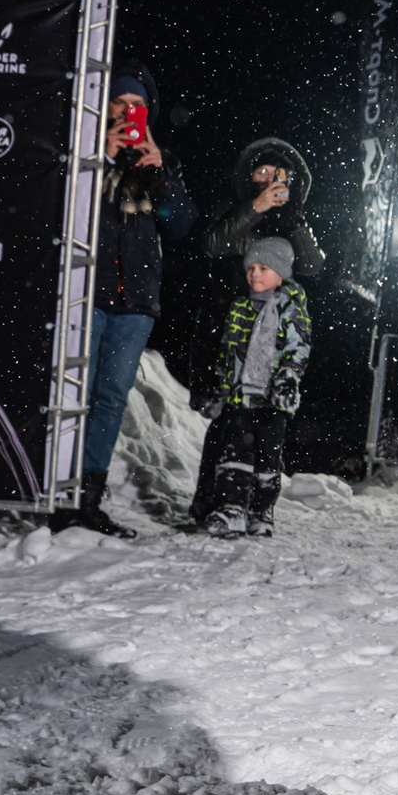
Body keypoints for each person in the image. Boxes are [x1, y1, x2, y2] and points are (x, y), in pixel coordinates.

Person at [57, 63, 197, 536]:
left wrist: (158, 173)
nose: (129, 112)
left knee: (111, 400)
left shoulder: (160, 162)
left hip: (135, 304)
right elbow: (66, 208)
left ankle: (89, 499)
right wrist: (103, 155)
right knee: (75, 395)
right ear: (104, 106)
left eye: (137, 106)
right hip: (86, 295)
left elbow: (179, 225)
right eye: (121, 103)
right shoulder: (82, 152)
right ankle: (60, 492)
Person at [188, 138, 326, 526]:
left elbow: (313, 266)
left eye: (277, 175)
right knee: (224, 423)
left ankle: (254, 508)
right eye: (261, 172)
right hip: (226, 331)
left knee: (264, 428)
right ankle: (211, 505)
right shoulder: (233, 210)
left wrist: (295, 219)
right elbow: (213, 245)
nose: (268, 180)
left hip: (269, 339)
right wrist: (254, 210)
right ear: (248, 175)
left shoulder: (294, 221)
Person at [200, 236, 311, 539]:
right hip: (241, 397)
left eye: (264, 268)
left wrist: (289, 377)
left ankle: (261, 511)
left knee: (267, 458)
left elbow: (298, 347)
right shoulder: (240, 305)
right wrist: (221, 385)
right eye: (251, 268)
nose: (255, 274)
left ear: (281, 273)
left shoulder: (292, 308)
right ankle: (232, 508)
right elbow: (228, 349)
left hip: (274, 400)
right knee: (235, 451)